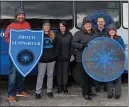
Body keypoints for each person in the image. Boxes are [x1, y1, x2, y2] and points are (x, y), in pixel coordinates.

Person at [4, 7, 31, 103]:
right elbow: (6, 37)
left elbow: (30, 36)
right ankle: (11, 94)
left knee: (22, 73)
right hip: (14, 53)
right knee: (13, 74)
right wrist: (12, 43)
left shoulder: (27, 24)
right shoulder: (11, 25)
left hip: (24, 54)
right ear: (16, 16)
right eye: (19, 15)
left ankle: (20, 90)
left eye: (22, 15)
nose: (21, 16)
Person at [72, 17, 97, 101]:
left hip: (92, 58)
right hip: (81, 58)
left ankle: (90, 91)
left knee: (91, 76)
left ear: (91, 25)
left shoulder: (94, 33)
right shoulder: (79, 33)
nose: (88, 25)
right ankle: (85, 93)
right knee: (84, 77)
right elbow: (74, 43)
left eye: (89, 24)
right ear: (83, 25)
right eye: (86, 24)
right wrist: (82, 45)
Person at [35, 20, 56, 99]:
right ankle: (37, 92)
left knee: (50, 76)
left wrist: (54, 55)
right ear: (43, 27)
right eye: (45, 25)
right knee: (40, 76)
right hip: (42, 60)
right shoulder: (39, 35)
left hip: (51, 59)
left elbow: (56, 47)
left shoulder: (53, 35)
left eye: (48, 25)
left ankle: (49, 91)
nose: (47, 27)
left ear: (49, 27)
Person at [107, 24, 125, 99]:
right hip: (108, 61)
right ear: (108, 31)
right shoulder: (106, 39)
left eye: (113, 30)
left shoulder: (119, 39)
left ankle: (118, 93)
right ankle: (110, 93)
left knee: (117, 77)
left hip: (117, 61)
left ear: (115, 31)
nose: (111, 31)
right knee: (109, 77)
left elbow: (122, 50)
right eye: (110, 30)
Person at [56, 20, 73, 94]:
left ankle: (65, 86)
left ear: (66, 27)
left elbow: (72, 46)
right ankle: (59, 86)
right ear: (59, 27)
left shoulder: (69, 34)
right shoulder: (56, 34)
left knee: (65, 72)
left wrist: (72, 54)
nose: (62, 27)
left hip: (67, 56)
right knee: (59, 72)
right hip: (58, 57)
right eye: (61, 26)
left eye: (63, 26)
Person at [94, 17, 108, 92]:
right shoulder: (94, 31)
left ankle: (106, 86)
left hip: (105, 54)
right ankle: (97, 87)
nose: (100, 23)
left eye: (102, 21)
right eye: (99, 21)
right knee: (97, 70)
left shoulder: (107, 30)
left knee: (105, 69)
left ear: (104, 23)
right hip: (97, 54)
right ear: (97, 23)